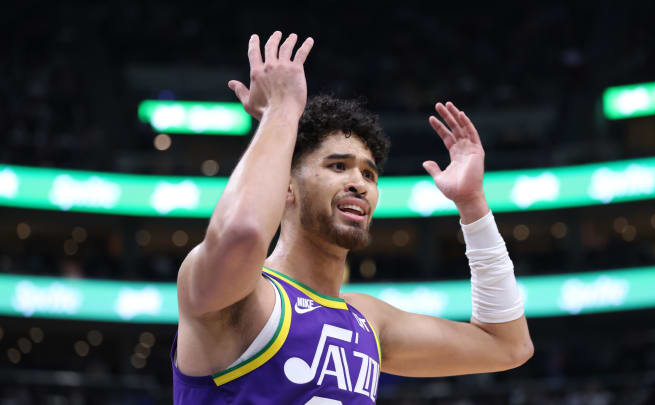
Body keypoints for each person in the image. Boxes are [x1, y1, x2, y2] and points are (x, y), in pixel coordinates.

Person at [171, 31, 533, 404]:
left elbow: (508, 345)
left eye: (368, 174)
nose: (358, 183)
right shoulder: (240, 295)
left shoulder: (367, 321)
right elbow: (241, 235)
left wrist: (473, 206)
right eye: (338, 166)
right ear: (287, 187)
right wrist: (281, 112)